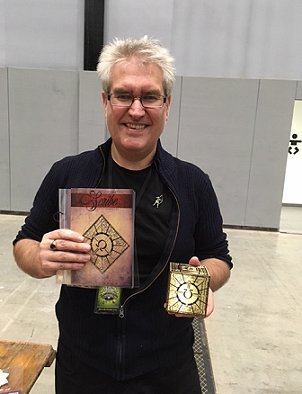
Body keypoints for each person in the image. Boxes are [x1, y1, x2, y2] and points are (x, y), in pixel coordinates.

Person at [13, 36, 232, 394]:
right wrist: (39, 257)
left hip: (167, 369)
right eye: (123, 95)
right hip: (84, 367)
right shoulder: (69, 173)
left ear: (167, 105)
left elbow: (219, 257)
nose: (135, 110)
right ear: (105, 101)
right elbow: (24, 242)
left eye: (149, 96)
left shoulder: (192, 183)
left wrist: (205, 276)